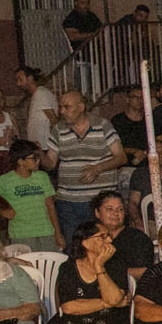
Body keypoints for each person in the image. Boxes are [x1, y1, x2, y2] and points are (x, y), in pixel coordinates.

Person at [44, 91, 125, 245]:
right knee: (73, 246)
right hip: (68, 202)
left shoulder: (102, 125)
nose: (61, 111)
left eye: (66, 107)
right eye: (60, 107)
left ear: (81, 107)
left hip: (99, 201)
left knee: (102, 245)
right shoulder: (58, 129)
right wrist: (40, 156)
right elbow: (51, 163)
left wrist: (97, 169)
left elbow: (121, 157)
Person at [0, 142, 60, 254]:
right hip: (21, 235)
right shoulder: (5, 181)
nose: (38, 161)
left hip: (47, 232)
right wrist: (1, 211)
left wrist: (58, 233)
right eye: (33, 158)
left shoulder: (42, 177)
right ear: (20, 161)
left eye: (38, 157)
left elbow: (50, 205)